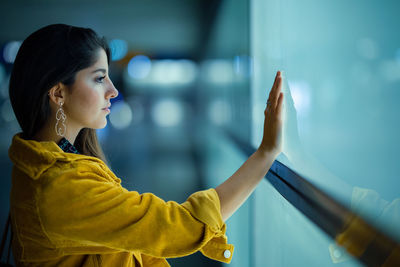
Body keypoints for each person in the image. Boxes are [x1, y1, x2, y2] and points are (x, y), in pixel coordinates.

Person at [7, 24, 284, 266]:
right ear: (58, 93)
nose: (113, 91)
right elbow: (178, 226)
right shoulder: (59, 188)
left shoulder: (46, 166)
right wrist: (265, 154)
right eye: (100, 78)